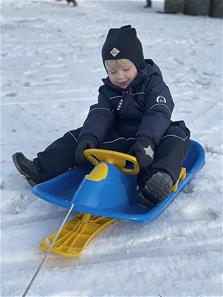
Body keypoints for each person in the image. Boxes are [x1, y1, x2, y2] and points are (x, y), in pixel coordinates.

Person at [12, 25, 190, 208]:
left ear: (138, 63)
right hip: (120, 137)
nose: (120, 76)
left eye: (126, 69)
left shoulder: (154, 85)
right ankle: (41, 169)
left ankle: (158, 182)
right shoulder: (108, 91)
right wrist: (89, 138)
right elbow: (101, 114)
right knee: (78, 136)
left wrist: (147, 141)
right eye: (112, 72)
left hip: (150, 142)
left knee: (177, 137)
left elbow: (158, 112)